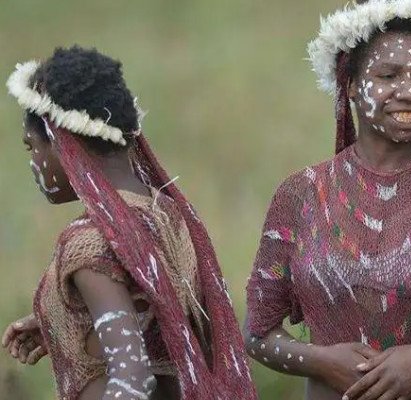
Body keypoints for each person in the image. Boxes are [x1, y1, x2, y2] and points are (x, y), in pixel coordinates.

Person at [244, 1, 411, 399]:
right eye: (388, 75)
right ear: (352, 85)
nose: (409, 91)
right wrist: (321, 360)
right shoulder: (301, 193)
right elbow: (257, 333)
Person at [1, 46, 256, 400]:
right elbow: (157, 318)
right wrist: (65, 320)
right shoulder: (167, 216)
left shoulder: (87, 243)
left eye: (32, 147)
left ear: (60, 142)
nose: (33, 162)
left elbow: (132, 378)